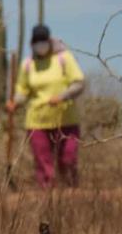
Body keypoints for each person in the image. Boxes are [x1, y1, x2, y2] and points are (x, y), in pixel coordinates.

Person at [6, 24, 86, 188]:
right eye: (36, 41)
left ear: (49, 41)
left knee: (68, 159)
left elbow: (79, 83)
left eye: (43, 40)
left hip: (66, 119)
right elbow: (22, 90)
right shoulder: (27, 64)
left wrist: (62, 96)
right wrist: (15, 101)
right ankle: (47, 196)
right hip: (37, 121)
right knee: (43, 162)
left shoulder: (64, 58)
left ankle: (72, 192)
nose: (40, 45)